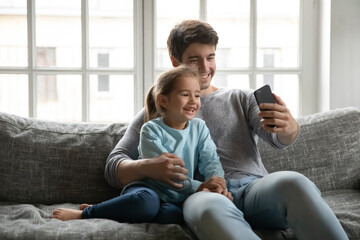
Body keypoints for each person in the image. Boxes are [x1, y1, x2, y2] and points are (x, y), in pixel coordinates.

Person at [104, 19, 349, 240]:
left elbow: (278, 138)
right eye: (194, 59)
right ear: (174, 62)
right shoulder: (159, 109)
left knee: (295, 182)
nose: (205, 67)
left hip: (254, 191)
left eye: (210, 57)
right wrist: (147, 166)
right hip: (203, 194)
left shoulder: (241, 98)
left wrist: (289, 128)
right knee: (211, 208)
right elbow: (114, 166)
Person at [52, 65, 228, 224]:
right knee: (145, 203)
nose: (193, 101)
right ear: (163, 100)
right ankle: (87, 213)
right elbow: (171, 175)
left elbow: (211, 160)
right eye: (185, 94)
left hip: (178, 196)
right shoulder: (150, 130)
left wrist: (217, 184)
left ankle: (117, 208)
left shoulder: (200, 127)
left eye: (197, 95)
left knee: (174, 216)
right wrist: (200, 187)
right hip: (147, 189)